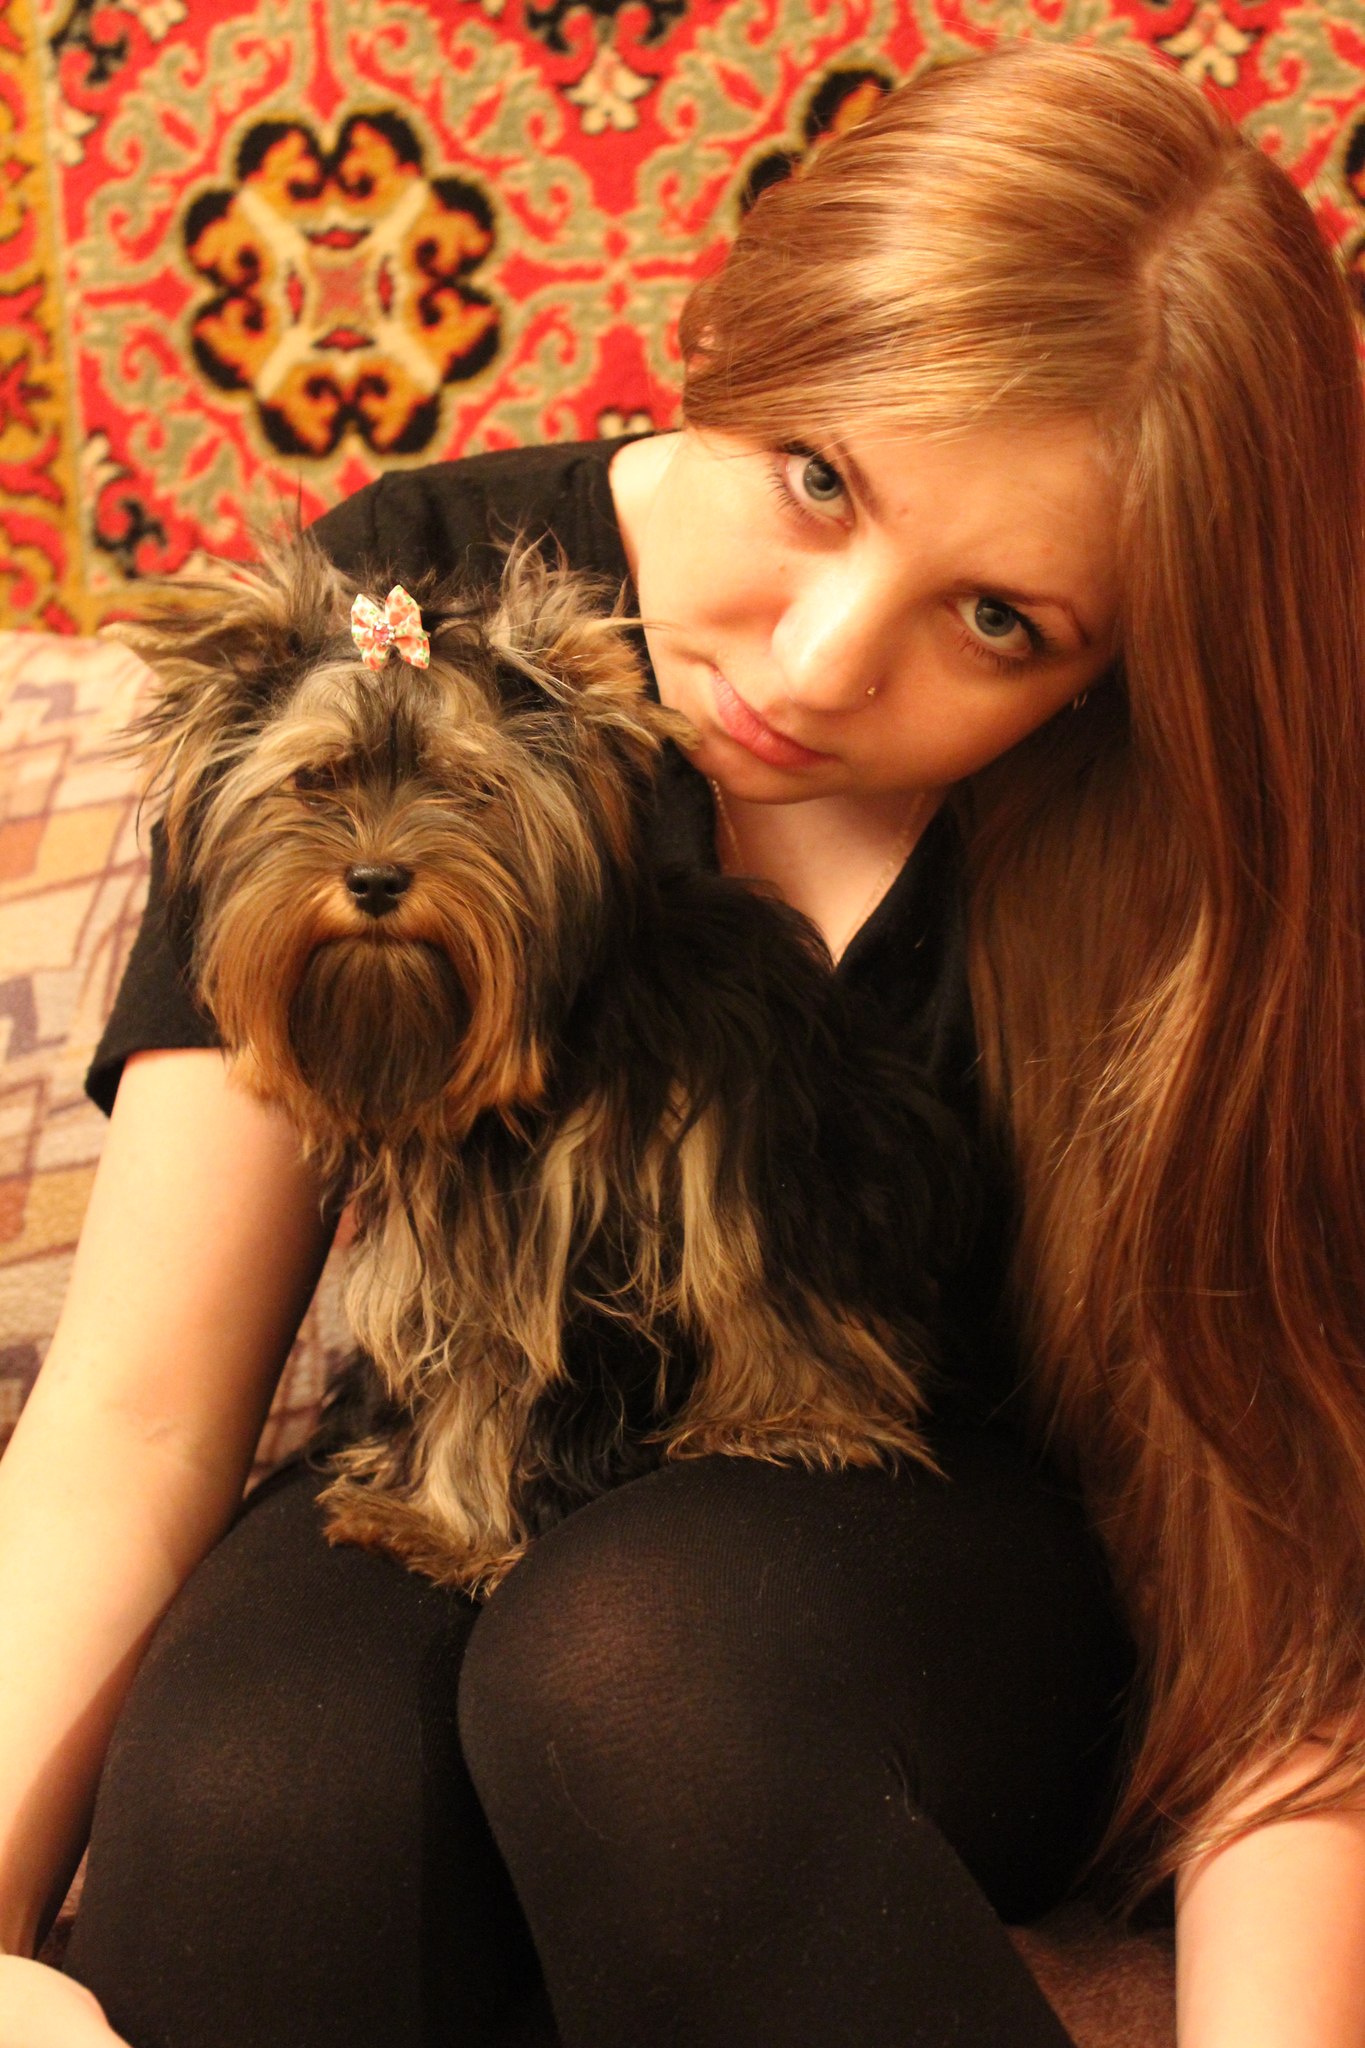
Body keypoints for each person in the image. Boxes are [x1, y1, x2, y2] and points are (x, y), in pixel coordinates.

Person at [2, 36, 1364, 2048]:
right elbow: (134, 1421)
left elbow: (1270, 1564)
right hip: (480, 1441)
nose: (819, 667)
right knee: (260, 1787)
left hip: (956, 1555)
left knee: (638, 1672)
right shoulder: (396, 614)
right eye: (815, 479)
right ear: (731, 334)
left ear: (1114, 660)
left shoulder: (1190, 803)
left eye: (1000, 619)